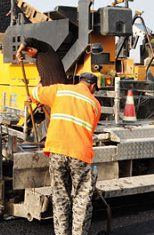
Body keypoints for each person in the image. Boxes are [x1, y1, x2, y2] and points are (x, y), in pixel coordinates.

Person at [27, 72, 101, 235]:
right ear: (93, 86)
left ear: (79, 81)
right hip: (80, 154)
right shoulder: (95, 104)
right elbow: (90, 129)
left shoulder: (59, 90)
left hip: (57, 151)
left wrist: (37, 100)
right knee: (82, 198)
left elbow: (33, 93)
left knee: (60, 196)